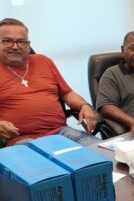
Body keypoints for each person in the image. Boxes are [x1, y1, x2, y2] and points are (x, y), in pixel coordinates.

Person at [0, 18, 99, 147]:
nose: (15, 46)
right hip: (21, 140)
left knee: (106, 153)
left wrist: (84, 105)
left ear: (28, 44)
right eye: (8, 41)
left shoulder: (44, 61)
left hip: (61, 133)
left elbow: (67, 93)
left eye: (21, 42)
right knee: (47, 161)